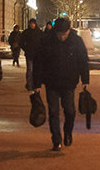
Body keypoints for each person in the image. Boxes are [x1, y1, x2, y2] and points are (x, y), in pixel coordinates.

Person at [30, 17, 90, 151]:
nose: (62, 37)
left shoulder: (76, 41)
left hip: (69, 82)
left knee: (70, 111)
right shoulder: (46, 41)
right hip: (51, 82)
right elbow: (38, 63)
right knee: (53, 112)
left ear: (69, 31)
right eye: (59, 34)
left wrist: (85, 80)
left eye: (64, 34)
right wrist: (37, 84)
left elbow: (83, 61)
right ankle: (56, 139)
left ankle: (68, 132)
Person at [20, 18, 42, 89]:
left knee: (36, 70)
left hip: (37, 54)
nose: (32, 25)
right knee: (30, 70)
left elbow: (43, 42)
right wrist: (26, 48)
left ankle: (35, 84)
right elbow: (21, 42)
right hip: (29, 54)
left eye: (33, 23)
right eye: (31, 23)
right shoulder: (26, 32)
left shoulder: (39, 32)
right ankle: (29, 84)